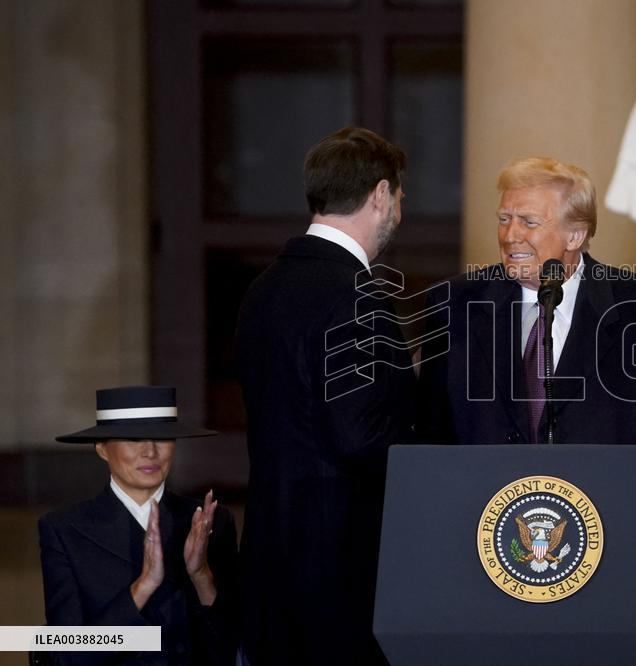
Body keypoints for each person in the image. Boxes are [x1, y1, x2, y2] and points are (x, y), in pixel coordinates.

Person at [236, 126, 416, 664]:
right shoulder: (356, 295)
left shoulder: (263, 288)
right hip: (339, 576)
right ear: (380, 195)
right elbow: (358, 436)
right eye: (401, 198)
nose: (399, 211)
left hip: (269, 559)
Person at [416, 156, 636, 446]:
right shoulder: (453, 305)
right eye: (504, 219)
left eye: (529, 222)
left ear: (575, 235)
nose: (510, 235)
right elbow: (429, 443)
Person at [37, 385, 238, 665]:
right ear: (102, 448)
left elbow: (233, 642)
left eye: (162, 438)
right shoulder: (64, 530)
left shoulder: (210, 521)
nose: (150, 452)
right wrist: (143, 586)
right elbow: (66, 655)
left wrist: (201, 575)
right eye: (133, 439)